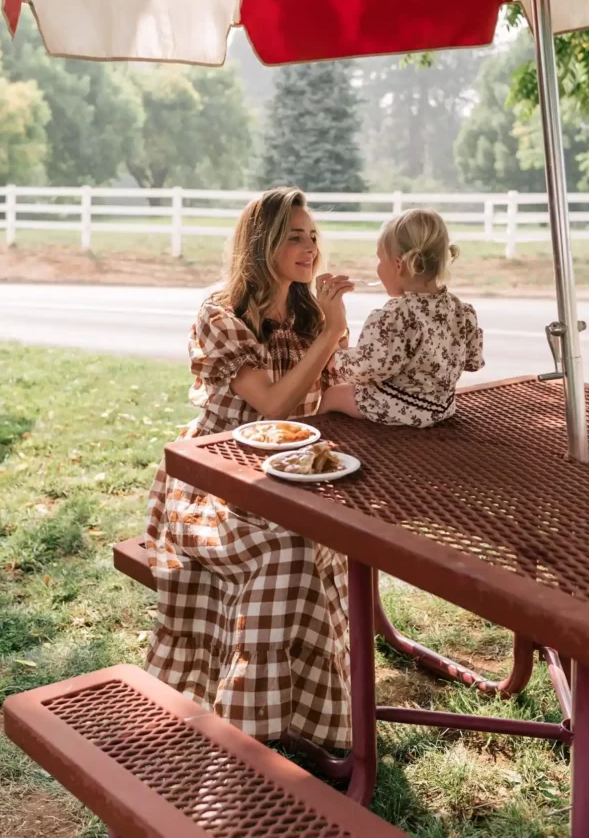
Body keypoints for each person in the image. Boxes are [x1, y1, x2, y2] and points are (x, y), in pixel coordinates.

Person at [145, 187, 354, 749]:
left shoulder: (311, 313)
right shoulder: (221, 314)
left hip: (295, 475)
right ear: (263, 244)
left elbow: (338, 396)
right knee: (289, 547)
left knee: (327, 536)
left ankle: (308, 722)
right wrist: (332, 334)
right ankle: (250, 734)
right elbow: (273, 405)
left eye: (313, 236)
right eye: (294, 236)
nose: (310, 248)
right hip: (210, 477)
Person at [320, 209, 484, 426]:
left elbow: (368, 369)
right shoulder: (462, 311)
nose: (378, 268)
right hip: (441, 407)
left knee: (333, 394)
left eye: (380, 259)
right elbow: (472, 361)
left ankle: (318, 444)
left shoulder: (395, 316)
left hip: (401, 408)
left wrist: (337, 360)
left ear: (399, 265)